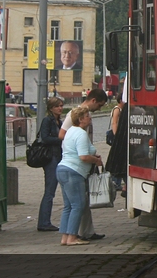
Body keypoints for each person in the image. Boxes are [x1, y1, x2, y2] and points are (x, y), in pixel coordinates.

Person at [59, 89, 107, 241]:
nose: (90, 119)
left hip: (63, 168)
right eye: (87, 117)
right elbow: (83, 156)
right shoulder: (79, 132)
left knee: (69, 206)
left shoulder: (73, 131)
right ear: (80, 119)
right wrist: (95, 160)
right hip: (74, 170)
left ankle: (65, 237)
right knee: (78, 205)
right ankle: (73, 237)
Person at [36, 97, 64, 232]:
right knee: (49, 190)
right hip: (50, 157)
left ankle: (45, 221)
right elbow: (45, 138)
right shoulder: (48, 120)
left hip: (59, 156)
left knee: (52, 191)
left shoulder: (60, 121)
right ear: (51, 108)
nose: (60, 108)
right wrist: (60, 139)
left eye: (61, 106)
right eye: (58, 106)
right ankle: (43, 222)